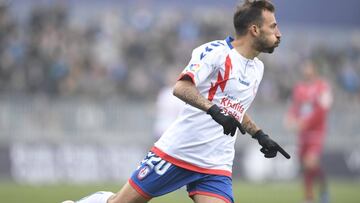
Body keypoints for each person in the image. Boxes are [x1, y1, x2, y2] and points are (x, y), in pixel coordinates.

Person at [64, 1, 290, 203]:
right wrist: (214, 111)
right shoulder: (216, 53)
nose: (279, 33)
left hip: (215, 163)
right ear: (254, 29)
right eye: (273, 27)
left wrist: (259, 135)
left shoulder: (257, 68)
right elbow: (181, 87)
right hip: (179, 151)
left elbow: (234, 108)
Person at [285, 61, 332, 203]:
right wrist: (290, 117)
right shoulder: (299, 88)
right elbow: (295, 107)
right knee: (305, 166)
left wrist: (305, 122)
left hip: (316, 131)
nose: (306, 70)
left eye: (308, 67)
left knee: (310, 162)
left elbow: (322, 111)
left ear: (314, 70)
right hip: (302, 133)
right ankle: (309, 197)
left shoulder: (323, 87)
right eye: (304, 68)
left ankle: (322, 189)